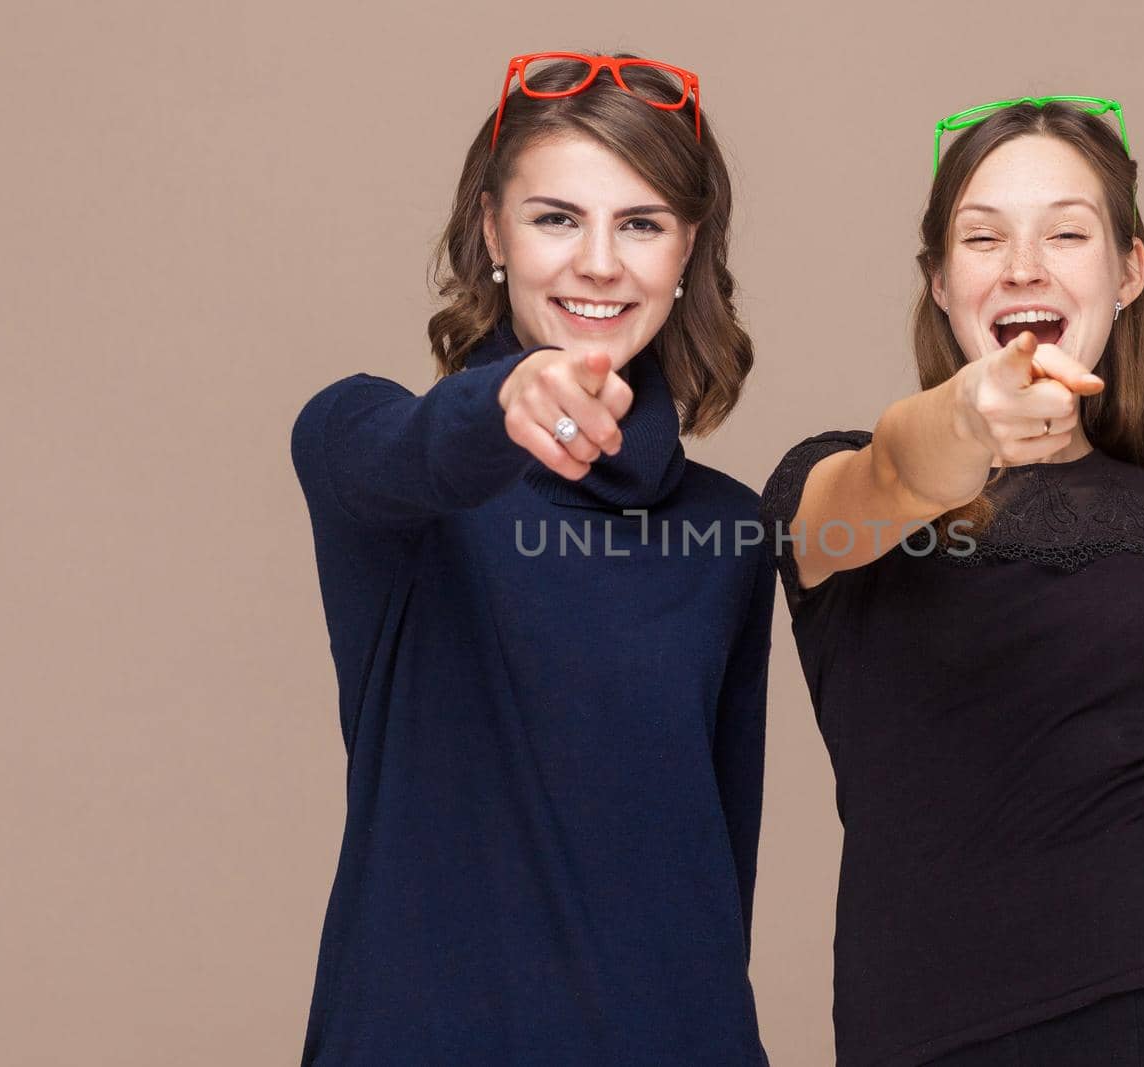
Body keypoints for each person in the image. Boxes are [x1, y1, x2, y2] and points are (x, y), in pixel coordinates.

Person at [290, 51, 772, 1066]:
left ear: (687, 253)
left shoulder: (727, 533)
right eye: (556, 217)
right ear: (490, 231)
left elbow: (718, 871)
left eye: (639, 223)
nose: (599, 262)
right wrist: (506, 402)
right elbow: (405, 451)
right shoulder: (378, 464)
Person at [759, 98, 1144, 1066]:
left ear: (1126, 272)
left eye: (1065, 233)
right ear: (940, 283)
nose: (1022, 265)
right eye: (982, 237)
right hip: (929, 1020)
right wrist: (970, 420)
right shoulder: (831, 487)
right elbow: (906, 468)